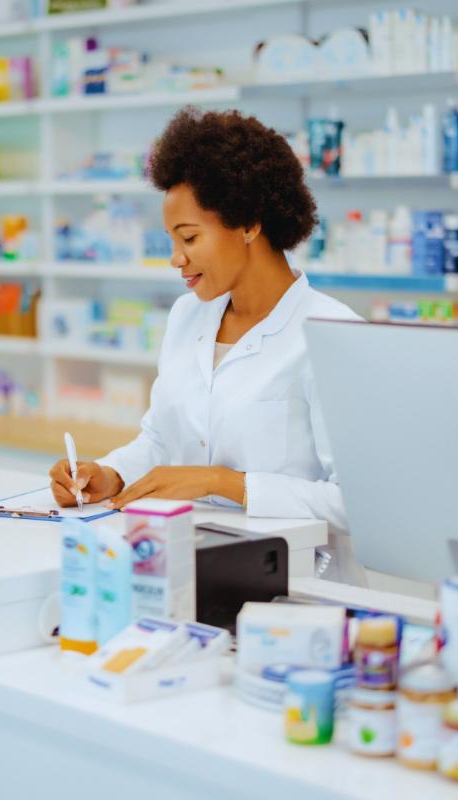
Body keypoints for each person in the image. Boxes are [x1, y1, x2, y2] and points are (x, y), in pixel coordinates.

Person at [49, 107, 364, 582]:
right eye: (172, 239)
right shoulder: (187, 316)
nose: (177, 258)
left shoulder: (331, 333)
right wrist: (110, 475)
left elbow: (357, 502)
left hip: (298, 589)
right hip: (185, 570)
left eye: (189, 237)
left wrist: (226, 483)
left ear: (249, 224)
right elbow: (160, 440)